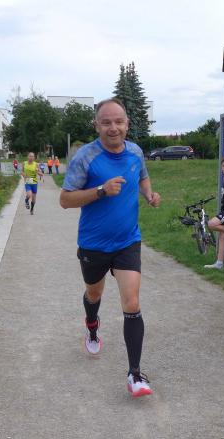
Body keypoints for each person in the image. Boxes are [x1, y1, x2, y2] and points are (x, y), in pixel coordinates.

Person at [59, 98, 161, 398]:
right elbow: (65, 200)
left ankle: (135, 374)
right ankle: (92, 325)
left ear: (127, 124)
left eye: (118, 121)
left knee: (132, 302)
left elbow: (142, 176)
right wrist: (101, 190)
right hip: (93, 243)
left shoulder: (135, 151)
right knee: (94, 293)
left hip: (127, 241)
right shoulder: (86, 157)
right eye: (106, 122)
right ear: (97, 125)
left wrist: (149, 194)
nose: (113, 127)